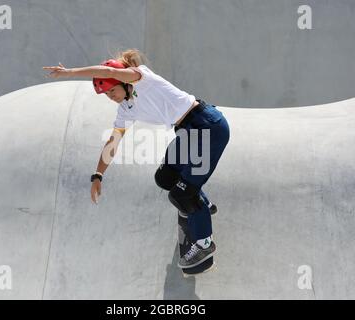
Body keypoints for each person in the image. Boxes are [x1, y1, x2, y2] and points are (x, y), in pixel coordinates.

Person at [43, 49, 230, 269]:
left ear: (123, 82)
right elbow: (112, 142)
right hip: (187, 132)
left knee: (181, 195)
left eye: (111, 90)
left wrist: (69, 73)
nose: (110, 97)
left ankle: (204, 244)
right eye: (106, 95)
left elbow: (107, 70)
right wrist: (98, 174)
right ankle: (203, 204)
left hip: (207, 129)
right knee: (165, 177)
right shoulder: (126, 109)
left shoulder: (142, 78)